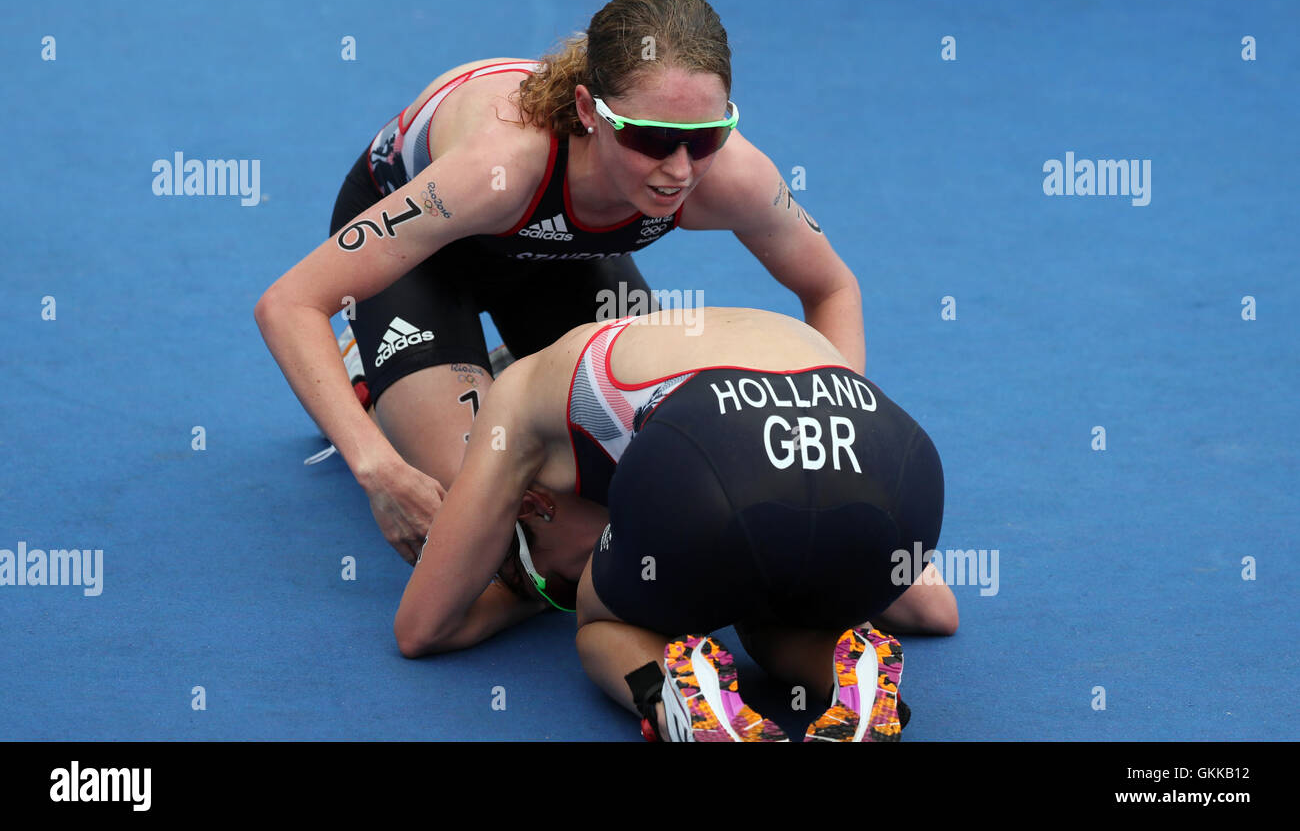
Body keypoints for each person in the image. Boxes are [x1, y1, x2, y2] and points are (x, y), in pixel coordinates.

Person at [254, 0, 866, 565]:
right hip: (422, 258)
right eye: (652, 139)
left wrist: (843, 447)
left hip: (560, 257)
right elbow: (287, 304)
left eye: (706, 137)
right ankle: (383, 376)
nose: (679, 171)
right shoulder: (499, 166)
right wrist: (376, 469)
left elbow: (831, 286)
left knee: (662, 471)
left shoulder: (733, 177)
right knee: (492, 522)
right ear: (587, 112)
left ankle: (498, 374)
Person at [394, 307, 957, 742]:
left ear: (533, 506)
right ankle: (848, 667)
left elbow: (420, 628)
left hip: (716, 443)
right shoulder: (667, 354)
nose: (560, 591)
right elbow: (935, 608)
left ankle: (677, 702)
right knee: (768, 609)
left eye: (551, 583)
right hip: (889, 452)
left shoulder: (520, 390)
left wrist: (577, 601)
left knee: (599, 627)